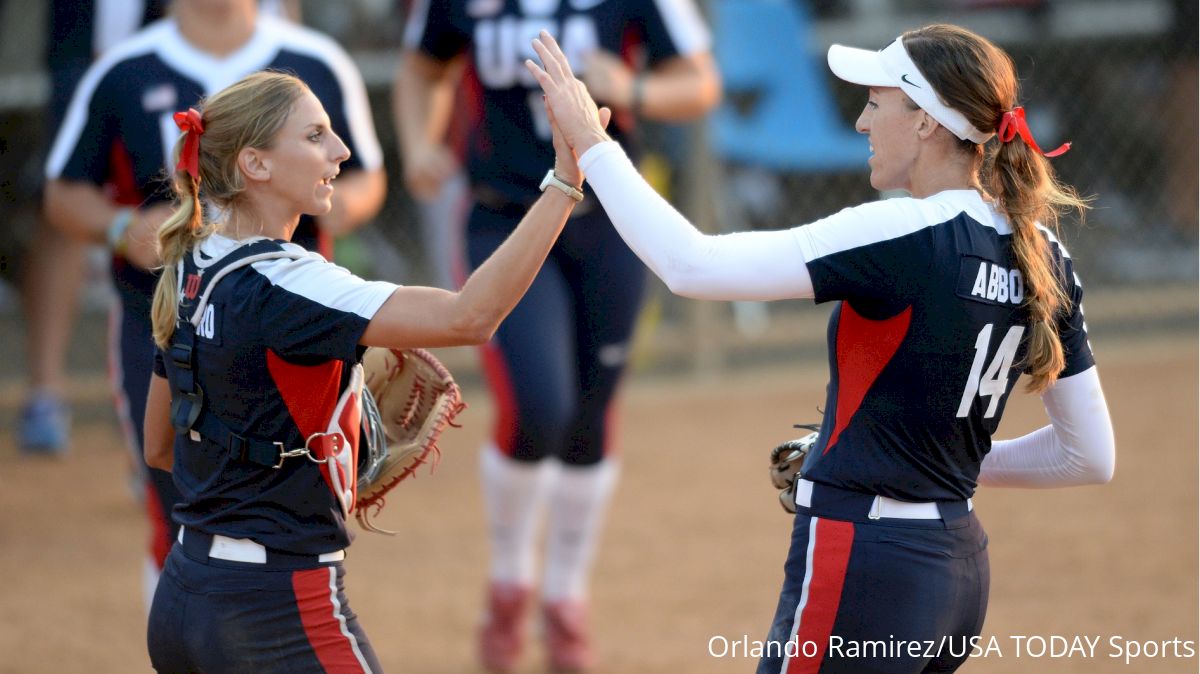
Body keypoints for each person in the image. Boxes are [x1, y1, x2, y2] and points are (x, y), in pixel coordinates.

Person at [527, 25, 1116, 674]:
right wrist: (920, 456)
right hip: (958, 569)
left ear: (924, 121)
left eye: (877, 102)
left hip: (867, 560)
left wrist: (593, 145)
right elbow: (1088, 454)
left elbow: (692, 266)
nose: (863, 121)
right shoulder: (1044, 253)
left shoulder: (904, 229)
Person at [141, 69, 593, 672]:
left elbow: (160, 445)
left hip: (183, 598)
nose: (341, 151)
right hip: (276, 608)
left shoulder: (190, 267)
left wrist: (292, 458)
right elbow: (470, 317)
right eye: (315, 136)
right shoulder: (290, 282)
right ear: (256, 164)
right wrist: (565, 184)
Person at [394, 2, 721, 670]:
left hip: (612, 218)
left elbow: (700, 82)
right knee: (540, 405)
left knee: (592, 410)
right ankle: (512, 581)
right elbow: (420, 69)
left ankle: (566, 596)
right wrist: (419, 141)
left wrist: (631, 89)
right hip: (505, 216)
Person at [43, 0, 386, 607]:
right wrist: (125, 227)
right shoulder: (124, 68)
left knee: (285, 509)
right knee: (175, 503)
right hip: (170, 320)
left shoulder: (313, 61)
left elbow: (366, 177)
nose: (327, 148)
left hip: (289, 325)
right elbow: (64, 194)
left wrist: (310, 211)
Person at [18, 0, 168, 455]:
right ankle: (46, 391)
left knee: (173, 213)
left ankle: (165, 409)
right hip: (83, 60)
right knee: (64, 211)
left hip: (172, 57)